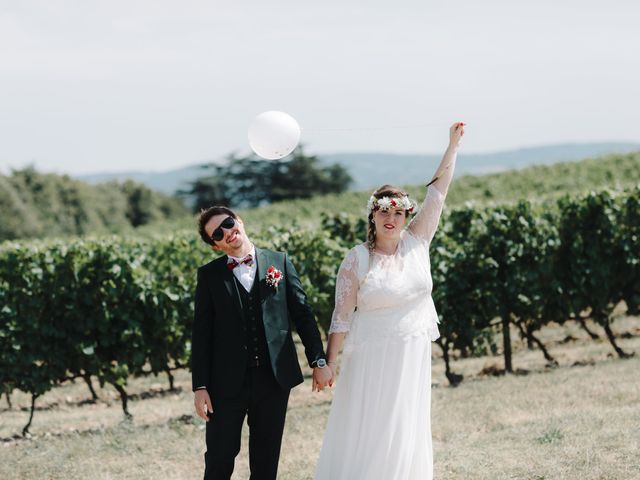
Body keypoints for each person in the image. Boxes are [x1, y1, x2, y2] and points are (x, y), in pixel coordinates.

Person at [314, 122, 466, 480]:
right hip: (372, 356)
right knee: (373, 426)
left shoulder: (418, 242)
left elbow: (439, 191)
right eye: (384, 211)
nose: (391, 218)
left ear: (406, 216)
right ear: (373, 214)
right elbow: (341, 317)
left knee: (406, 421)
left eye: (398, 212)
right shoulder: (357, 259)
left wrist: (452, 146)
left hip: (411, 352)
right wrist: (329, 362)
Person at [192, 207, 333, 480]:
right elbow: (202, 335)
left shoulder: (278, 262)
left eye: (229, 223)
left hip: (273, 380)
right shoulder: (209, 276)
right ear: (215, 245)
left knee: (266, 463)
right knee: (219, 459)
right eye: (218, 233)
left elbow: (303, 315)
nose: (228, 232)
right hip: (225, 385)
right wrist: (200, 387)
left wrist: (319, 361)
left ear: (239, 221)